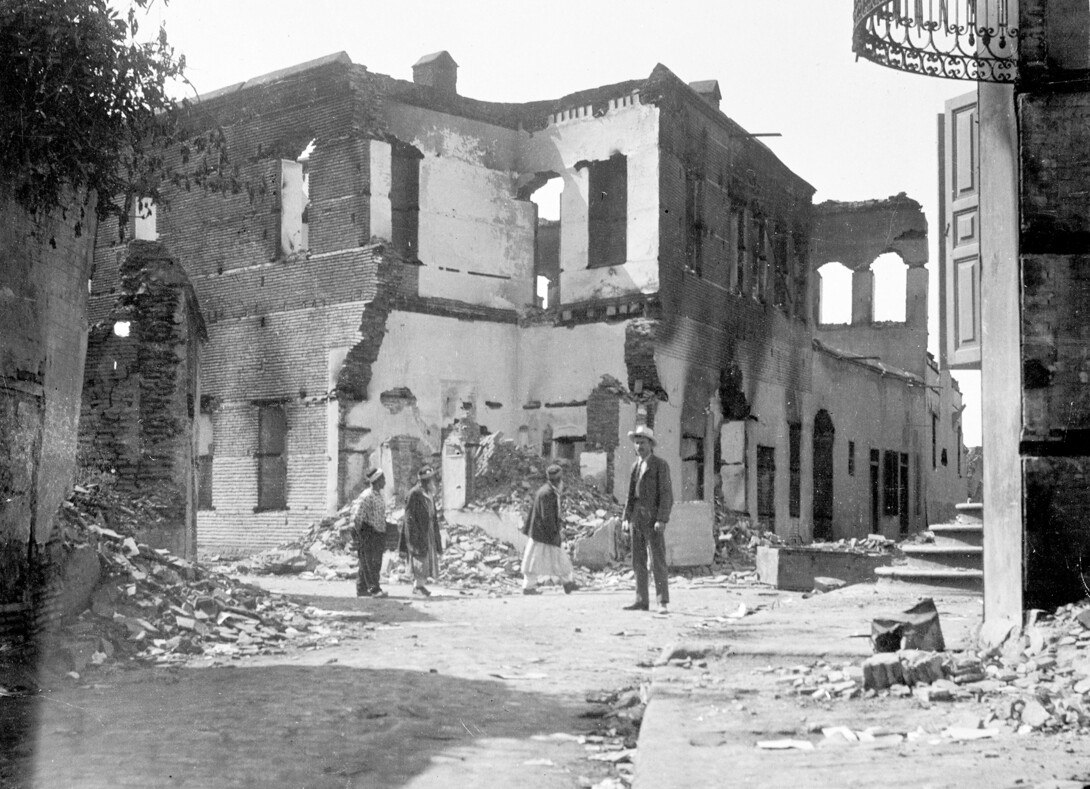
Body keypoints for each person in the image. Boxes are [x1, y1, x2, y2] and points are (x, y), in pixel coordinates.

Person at [621, 425, 673, 614]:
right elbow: (630, 495)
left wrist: (662, 519)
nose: (639, 446)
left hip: (653, 521)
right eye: (636, 443)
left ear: (651, 445)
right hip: (637, 519)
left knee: (657, 560)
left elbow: (666, 495)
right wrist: (625, 518)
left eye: (642, 442)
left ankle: (662, 602)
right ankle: (641, 600)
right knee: (638, 561)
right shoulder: (635, 466)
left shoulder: (660, 465)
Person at [520, 464, 578, 595]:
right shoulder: (548, 493)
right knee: (537, 561)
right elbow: (548, 517)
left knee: (549, 558)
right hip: (543, 533)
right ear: (558, 480)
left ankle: (567, 583)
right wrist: (555, 533)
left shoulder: (547, 491)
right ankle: (529, 587)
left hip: (540, 532)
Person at [400, 465, 443, 597]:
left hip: (428, 530)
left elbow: (433, 516)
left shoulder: (429, 494)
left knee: (427, 559)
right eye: (431, 480)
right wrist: (413, 536)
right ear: (425, 481)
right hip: (418, 532)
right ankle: (417, 586)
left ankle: (421, 585)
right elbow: (409, 518)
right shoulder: (414, 494)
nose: (433, 482)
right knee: (420, 558)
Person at [350, 467, 389, 598]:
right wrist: (360, 533)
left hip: (378, 532)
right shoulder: (367, 496)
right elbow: (357, 515)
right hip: (369, 533)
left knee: (366, 562)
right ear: (377, 481)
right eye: (383, 478)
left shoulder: (377, 496)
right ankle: (374, 589)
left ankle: (361, 589)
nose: (385, 481)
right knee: (371, 562)